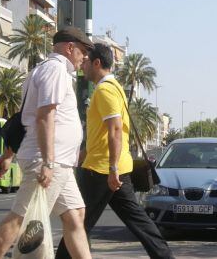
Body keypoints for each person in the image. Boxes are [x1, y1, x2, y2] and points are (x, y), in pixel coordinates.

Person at [0, 27, 94, 259]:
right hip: (49, 160)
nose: (84, 57)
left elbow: (25, 117)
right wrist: (48, 162)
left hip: (57, 161)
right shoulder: (56, 70)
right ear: (69, 47)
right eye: (82, 51)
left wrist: (9, 154)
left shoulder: (41, 70)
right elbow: (44, 116)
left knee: (76, 214)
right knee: (19, 219)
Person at [55, 43, 174, 259]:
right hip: (112, 168)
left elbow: (116, 130)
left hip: (102, 170)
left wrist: (112, 169)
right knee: (139, 222)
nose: (83, 65)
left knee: (78, 223)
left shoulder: (105, 90)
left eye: (86, 61)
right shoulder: (116, 87)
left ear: (97, 63)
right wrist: (81, 157)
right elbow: (101, 135)